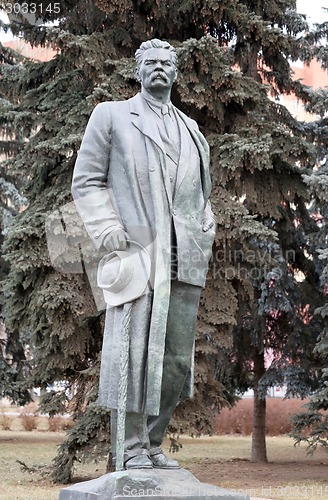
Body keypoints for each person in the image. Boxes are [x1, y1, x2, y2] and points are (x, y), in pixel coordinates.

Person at [71, 38, 215, 470]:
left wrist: (207, 222)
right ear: (139, 71)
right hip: (137, 252)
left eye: (165, 63)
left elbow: (199, 193)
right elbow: (87, 180)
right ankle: (130, 447)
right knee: (132, 352)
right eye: (149, 62)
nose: (157, 69)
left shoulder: (192, 129)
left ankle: (153, 443)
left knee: (173, 358)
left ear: (175, 73)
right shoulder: (112, 116)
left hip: (184, 256)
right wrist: (109, 228)